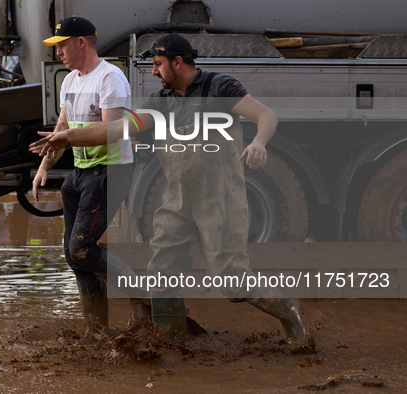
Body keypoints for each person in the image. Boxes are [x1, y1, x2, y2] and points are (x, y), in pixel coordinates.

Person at [30, 34, 314, 354]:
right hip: (177, 200)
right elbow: (118, 128)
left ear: (177, 63)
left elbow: (266, 115)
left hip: (219, 199)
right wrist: (69, 136)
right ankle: (169, 342)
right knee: (161, 270)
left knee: (231, 282)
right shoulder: (159, 103)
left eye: (157, 65)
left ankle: (287, 308)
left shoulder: (218, 87)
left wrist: (260, 141)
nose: (153, 72)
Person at [32, 16, 149, 331]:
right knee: (74, 256)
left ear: (80, 42)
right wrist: (44, 166)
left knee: (82, 249)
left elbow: (113, 131)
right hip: (81, 172)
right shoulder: (70, 79)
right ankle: (97, 332)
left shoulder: (111, 78)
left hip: (110, 170)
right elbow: (63, 125)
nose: (58, 53)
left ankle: (143, 296)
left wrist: (66, 139)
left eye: (61, 45)